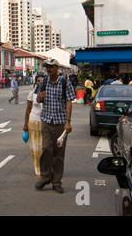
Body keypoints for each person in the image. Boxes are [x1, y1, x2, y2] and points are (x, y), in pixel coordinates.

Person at [34, 58, 76, 194]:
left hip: (60, 123)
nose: (48, 69)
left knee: (58, 154)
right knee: (46, 149)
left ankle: (56, 182)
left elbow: (69, 102)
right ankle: (45, 177)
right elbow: (37, 99)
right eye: (47, 67)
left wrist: (68, 121)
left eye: (51, 67)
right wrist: (40, 97)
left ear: (57, 68)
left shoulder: (65, 82)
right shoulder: (44, 82)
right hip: (46, 121)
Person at [23, 75, 44, 179]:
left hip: (46, 123)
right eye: (38, 81)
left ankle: (46, 168)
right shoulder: (32, 94)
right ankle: (38, 170)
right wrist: (25, 124)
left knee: (45, 147)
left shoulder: (49, 93)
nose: (40, 82)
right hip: (33, 122)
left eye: (42, 81)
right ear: (36, 82)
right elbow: (28, 109)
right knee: (35, 148)